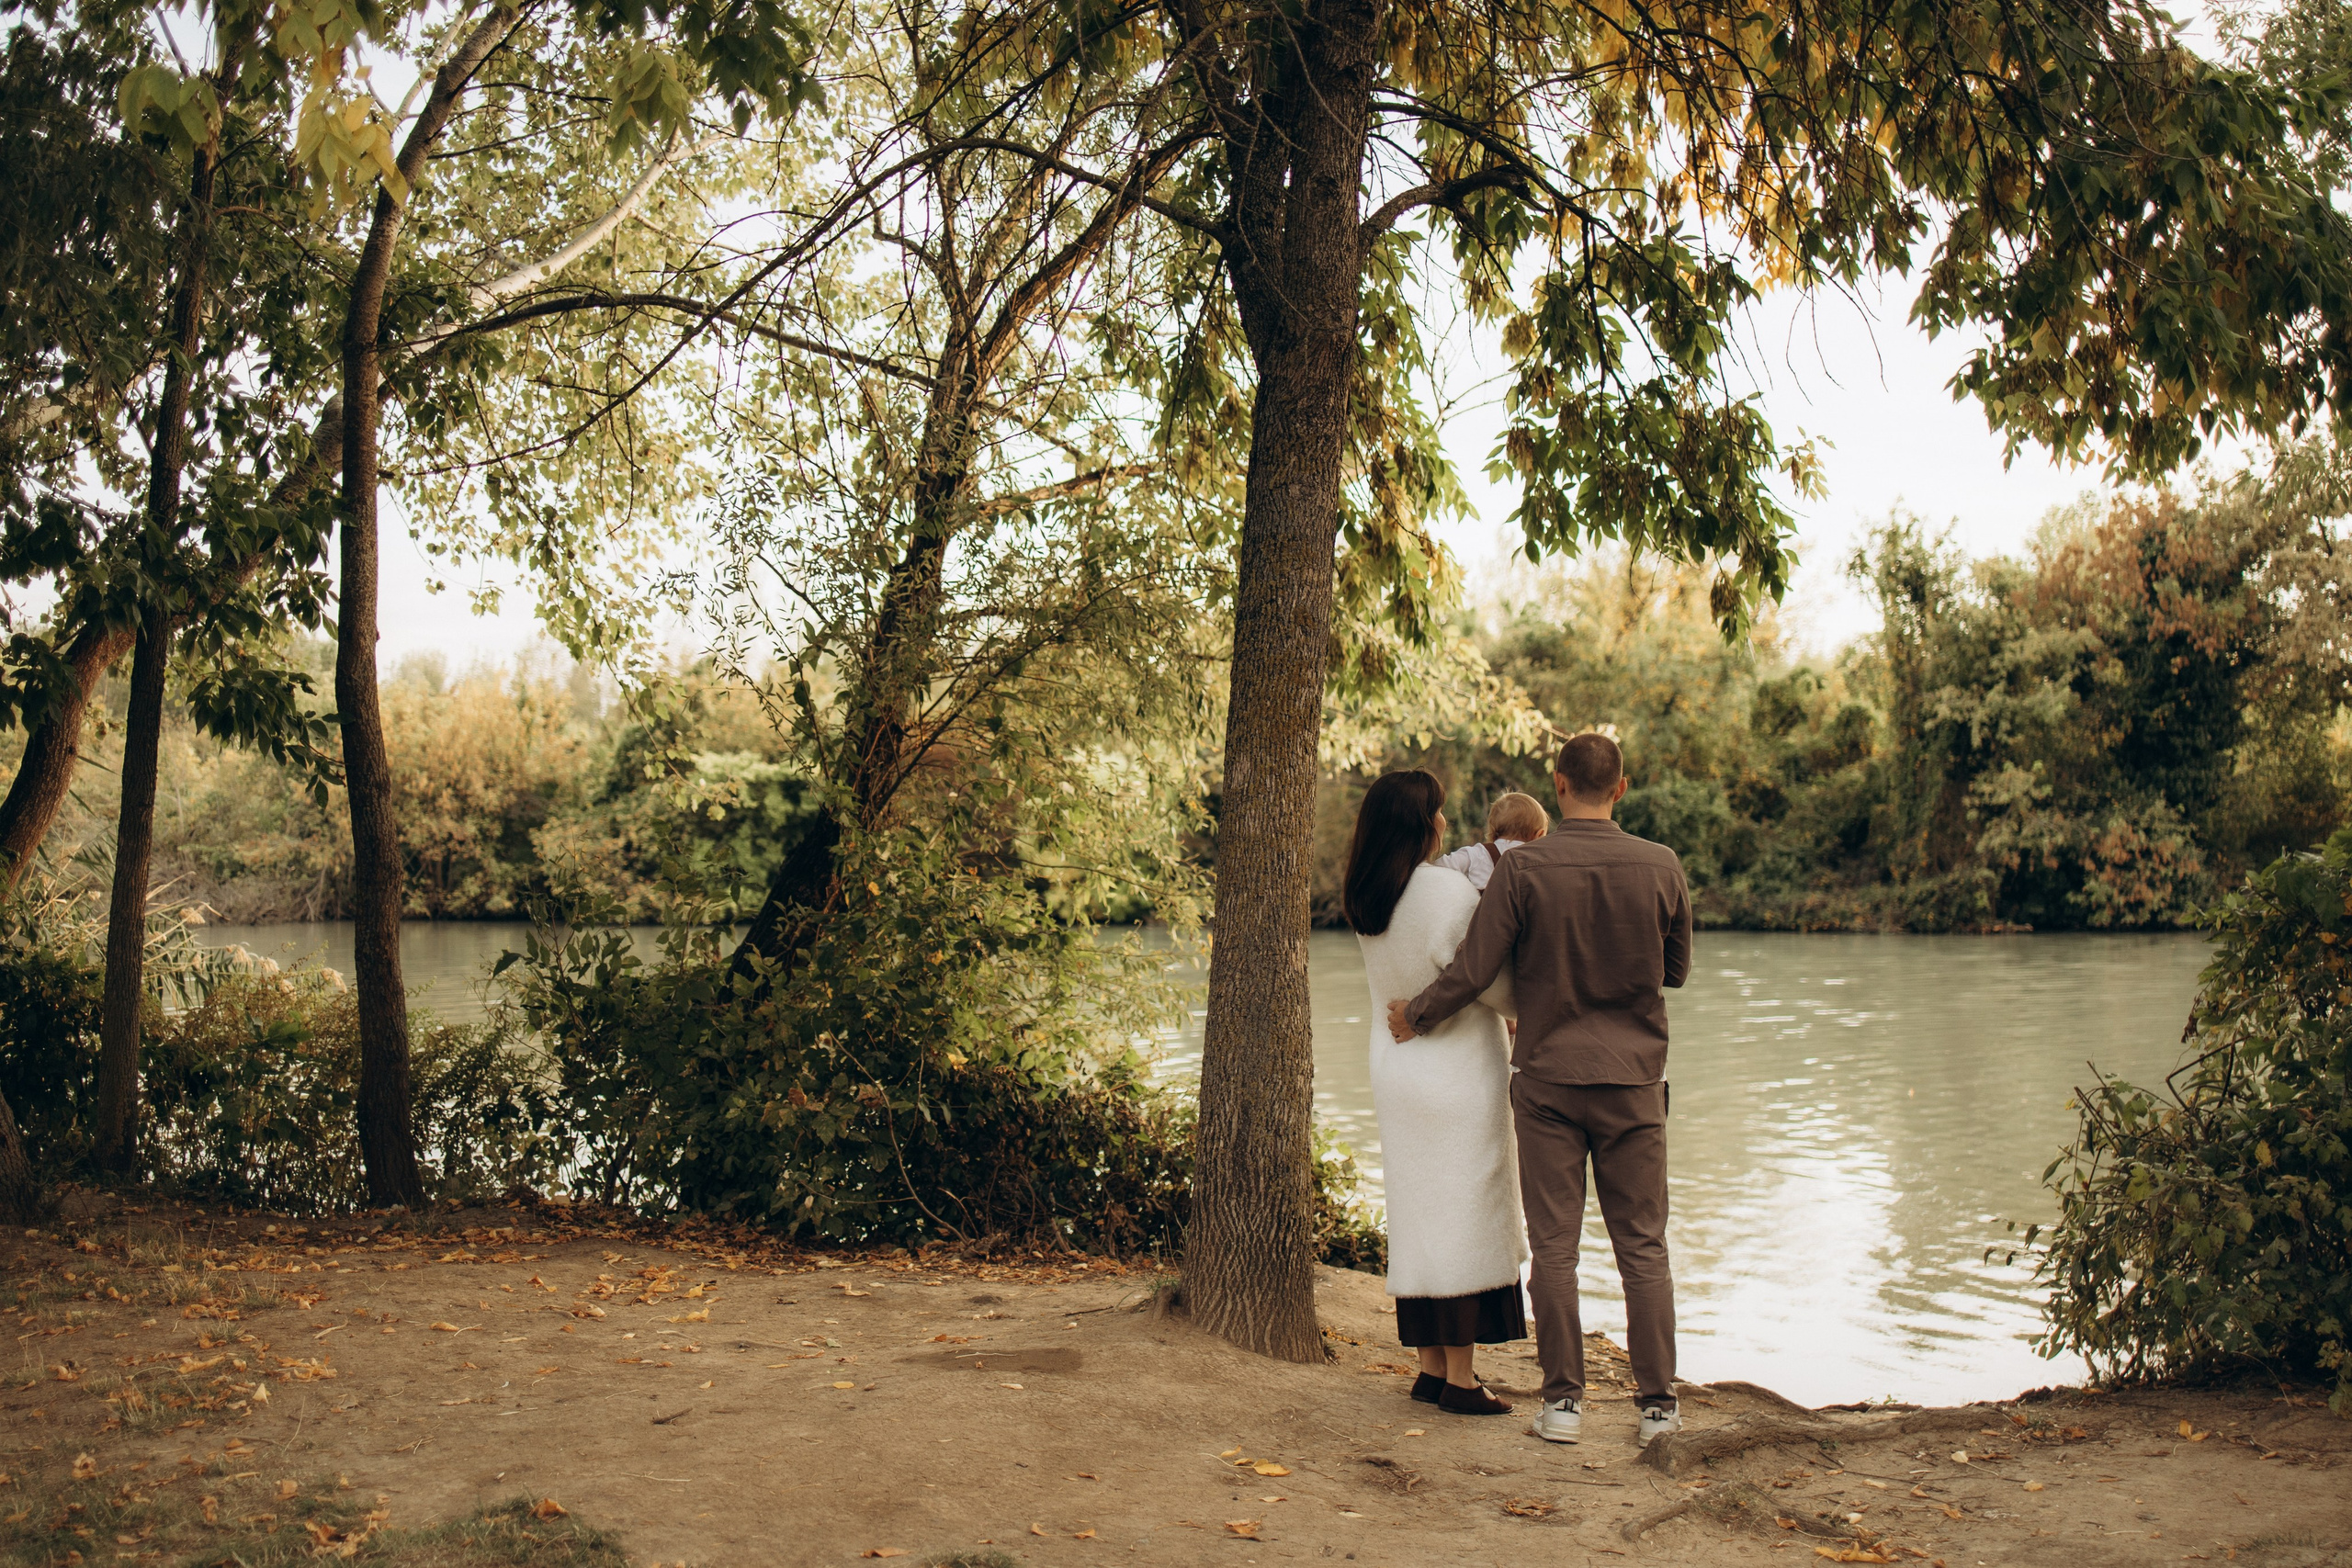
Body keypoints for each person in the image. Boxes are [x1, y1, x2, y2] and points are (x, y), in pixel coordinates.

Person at [1385, 731, 1692, 1450]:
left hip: (1549, 1079)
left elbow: (1473, 966)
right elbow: (1674, 970)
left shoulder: (1523, 872)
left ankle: (1562, 1406)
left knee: (1555, 1250)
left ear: (1558, 785)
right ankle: (1657, 1409)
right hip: (1635, 1084)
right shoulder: (1661, 865)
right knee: (1643, 1247)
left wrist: (1416, 1014)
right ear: (1620, 787)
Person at [1344, 770, 1524, 1416]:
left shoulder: (1369, 895)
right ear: (1423, 824)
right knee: (1466, 1213)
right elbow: (1494, 986)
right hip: (1456, 1076)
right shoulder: (1447, 892)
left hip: (1396, 1070)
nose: (1447, 823)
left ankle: (1428, 1367)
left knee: (1420, 1211)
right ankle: (1463, 1379)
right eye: (1440, 813)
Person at [1434, 791, 1550, 892]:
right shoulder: (1540, 868)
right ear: (1539, 835)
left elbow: (1437, 869)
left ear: (1492, 830)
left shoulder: (1477, 855)